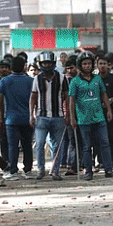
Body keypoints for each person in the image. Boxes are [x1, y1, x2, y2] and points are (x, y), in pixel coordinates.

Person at [69, 51, 113, 180]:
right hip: (83, 119)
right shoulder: (75, 82)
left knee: (104, 143)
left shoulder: (97, 79)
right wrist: (72, 117)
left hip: (99, 117)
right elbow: (71, 100)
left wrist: (108, 109)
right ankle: (88, 171)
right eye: (84, 64)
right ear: (80, 65)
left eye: (89, 64)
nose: (87, 66)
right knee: (87, 147)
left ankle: (108, 169)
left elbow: (104, 94)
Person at [29, 51, 69, 180]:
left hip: (58, 117)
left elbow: (67, 98)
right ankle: (41, 169)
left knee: (57, 146)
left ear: (53, 63)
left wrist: (68, 114)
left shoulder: (62, 78)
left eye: (49, 63)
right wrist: (31, 114)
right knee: (40, 144)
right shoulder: (37, 79)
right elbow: (33, 97)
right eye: (44, 63)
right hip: (41, 117)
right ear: (41, 64)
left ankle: (55, 170)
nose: (47, 65)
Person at [0, 56, 34, 181]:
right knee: (27, 144)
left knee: (12, 146)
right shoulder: (30, 81)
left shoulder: (5, 81)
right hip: (27, 118)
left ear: (11, 67)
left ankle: (13, 170)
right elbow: (35, 98)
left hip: (11, 119)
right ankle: (28, 170)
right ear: (24, 67)